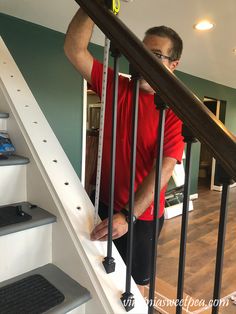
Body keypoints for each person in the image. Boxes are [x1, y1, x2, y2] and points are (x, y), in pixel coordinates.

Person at [64, 8, 185, 293]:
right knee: (101, 271)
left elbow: (164, 169)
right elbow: (74, 48)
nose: (143, 61)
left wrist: (128, 214)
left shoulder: (175, 111)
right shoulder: (116, 85)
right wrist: (92, 7)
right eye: (141, 52)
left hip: (140, 218)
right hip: (101, 201)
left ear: (174, 64)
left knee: (135, 284)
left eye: (154, 55)